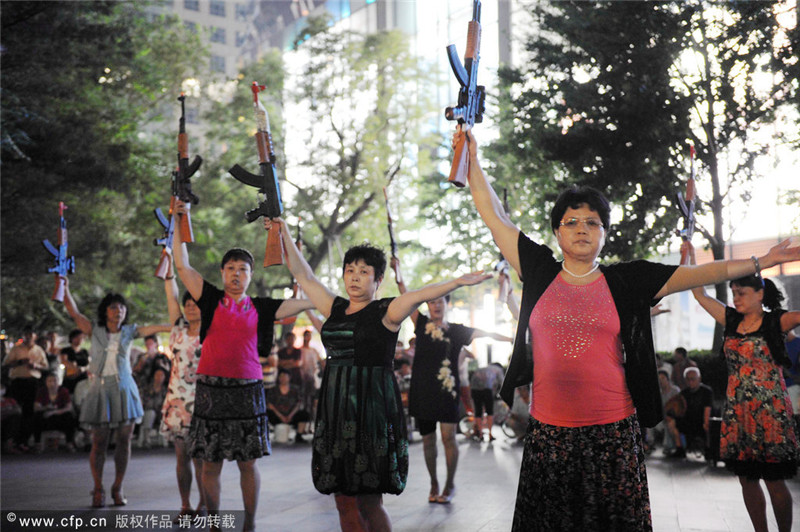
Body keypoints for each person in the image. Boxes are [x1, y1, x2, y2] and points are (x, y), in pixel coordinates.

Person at [457, 126, 800, 531]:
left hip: (612, 432)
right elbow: (493, 213)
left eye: (593, 222)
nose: (582, 228)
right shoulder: (537, 270)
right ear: (557, 231)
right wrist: (472, 161)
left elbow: (699, 273)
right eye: (571, 221)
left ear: (604, 233)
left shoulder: (627, 280)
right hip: (549, 434)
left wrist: (761, 261)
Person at [274, 216, 491, 532]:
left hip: (371, 414)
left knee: (369, 502)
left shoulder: (386, 311)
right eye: (350, 270)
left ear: (377, 281)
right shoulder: (333, 307)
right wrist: (284, 231)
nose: (355, 277)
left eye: (364, 272)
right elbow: (302, 273)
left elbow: (418, 294)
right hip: (336, 412)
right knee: (343, 502)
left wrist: (456, 282)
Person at [172, 201, 314, 532]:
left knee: (247, 463)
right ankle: (214, 523)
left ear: (251, 275)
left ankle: (249, 523)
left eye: (243, 269)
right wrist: (179, 218)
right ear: (223, 273)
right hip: (211, 391)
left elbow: (309, 297)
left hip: (248, 391)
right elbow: (182, 265)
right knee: (211, 463)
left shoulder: (263, 307)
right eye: (231, 268)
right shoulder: (208, 299)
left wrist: (287, 240)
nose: (237, 274)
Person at [391, 257, 512, 504]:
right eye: (432, 302)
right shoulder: (420, 323)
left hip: (447, 392)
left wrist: (512, 339)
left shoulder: (457, 330)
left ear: (446, 304)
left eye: (440, 301)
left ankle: (449, 484)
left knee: (447, 437)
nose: (436, 305)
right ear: (428, 305)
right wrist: (398, 271)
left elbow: (485, 333)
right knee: (427, 440)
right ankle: (433, 482)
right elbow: (405, 293)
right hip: (422, 390)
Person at [690, 262, 799, 532]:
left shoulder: (777, 321)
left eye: (742, 293)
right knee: (747, 479)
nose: (736, 298)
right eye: (734, 293)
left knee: (774, 481)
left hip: (770, 412)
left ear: (759, 294)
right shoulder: (731, 320)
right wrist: (689, 258)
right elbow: (700, 294)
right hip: (738, 412)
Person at [61, 280, 169, 508]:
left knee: (124, 439)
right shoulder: (94, 330)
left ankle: (118, 487)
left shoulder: (130, 331)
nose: (118, 311)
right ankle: (97, 488)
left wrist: (179, 326)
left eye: (121, 307)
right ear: (105, 311)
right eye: (113, 307)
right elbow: (73, 312)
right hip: (100, 388)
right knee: (99, 442)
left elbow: (158, 328)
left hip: (124, 388)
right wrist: (65, 285)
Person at [159, 259, 206, 519]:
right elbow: (171, 295)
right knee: (181, 457)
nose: (189, 307)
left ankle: (204, 504)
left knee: (200, 458)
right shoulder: (177, 329)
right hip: (177, 400)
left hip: (202, 400)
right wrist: (169, 270)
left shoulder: (210, 331)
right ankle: (185, 505)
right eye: (187, 304)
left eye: (194, 303)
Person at [1, 329, 48, 451]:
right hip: (18, 382)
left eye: (30, 335)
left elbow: (45, 366)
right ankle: (12, 440)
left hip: (32, 383)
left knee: (29, 412)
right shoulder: (16, 349)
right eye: (26, 335)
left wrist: (35, 366)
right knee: (16, 411)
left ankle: (23, 441)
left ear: (35, 336)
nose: (28, 338)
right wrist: (19, 362)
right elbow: (5, 364)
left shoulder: (38, 350)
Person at [663, 367, 713, 458]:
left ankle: (708, 450)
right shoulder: (684, 393)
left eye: (693, 379)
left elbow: (707, 409)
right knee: (671, 423)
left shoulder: (707, 392)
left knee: (708, 425)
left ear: (699, 379)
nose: (690, 381)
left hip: (701, 419)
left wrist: (706, 422)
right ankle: (680, 449)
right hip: (687, 420)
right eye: (688, 379)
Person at [33, 372, 77, 452]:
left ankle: (69, 442)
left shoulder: (63, 391)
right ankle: (37, 443)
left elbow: (69, 407)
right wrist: (46, 407)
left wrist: (54, 412)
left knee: (69, 416)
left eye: (54, 381)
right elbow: (36, 407)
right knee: (37, 416)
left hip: (59, 416)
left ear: (58, 382)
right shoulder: (42, 391)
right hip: (46, 417)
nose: (52, 383)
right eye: (50, 381)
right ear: (46, 382)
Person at [266, 369, 311, 443]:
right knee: (266, 413)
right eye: (281, 376)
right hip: (277, 415)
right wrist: (281, 416)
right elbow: (270, 405)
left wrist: (290, 416)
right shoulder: (273, 390)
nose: (283, 378)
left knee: (304, 414)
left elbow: (298, 403)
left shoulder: (295, 389)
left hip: (291, 415)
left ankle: (299, 435)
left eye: (285, 376)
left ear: (289, 378)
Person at [469, 362, 505, 442]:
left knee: (478, 412)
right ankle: (490, 434)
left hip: (474, 389)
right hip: (487, 390)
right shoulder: (498, 369)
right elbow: (503, 382)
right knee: (490, 412)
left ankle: (480, 434)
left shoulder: (483, 368)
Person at [60, 329, 89, 395]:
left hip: (83, 378)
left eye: (82, 338)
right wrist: (75, 368)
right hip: (70, 379)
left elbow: (89, 363)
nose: (80, 340)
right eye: (78, 337)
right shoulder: (66, 350)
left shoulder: (84, 351)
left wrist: (83, 368)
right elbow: (64, 361)